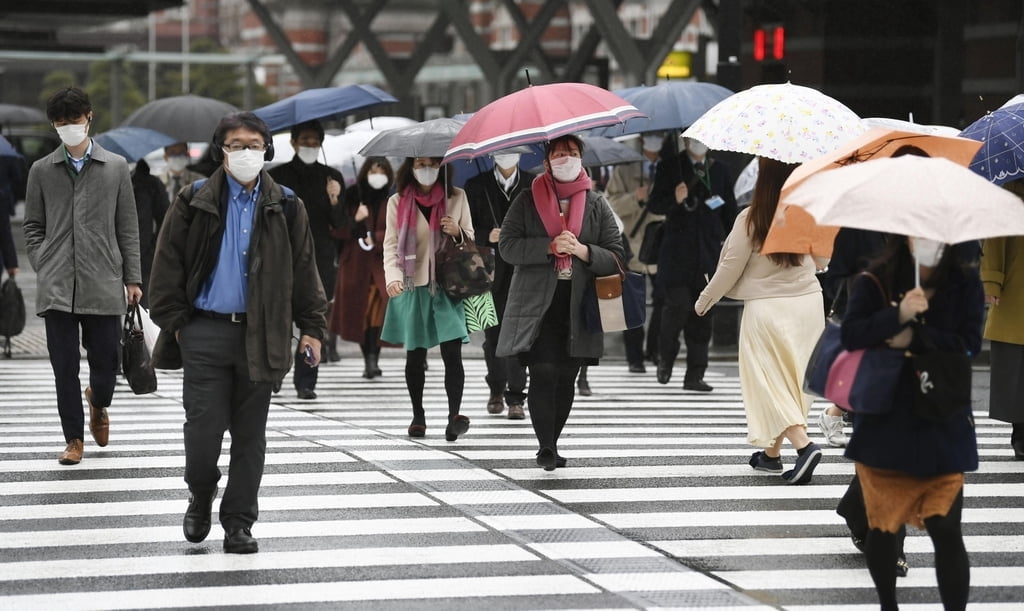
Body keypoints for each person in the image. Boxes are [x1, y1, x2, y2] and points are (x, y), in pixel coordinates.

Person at [149, 111, 327, 554]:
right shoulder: (193, 201)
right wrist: (177, 325)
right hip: (204, 333)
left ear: (267, 150)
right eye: (236, 145)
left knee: (251, 436)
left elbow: (305, 271)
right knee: (203, 431)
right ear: (220, 150)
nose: (246, 152)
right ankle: (200, 493)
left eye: (254, 144)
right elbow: (165, 266)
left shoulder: (286, 204)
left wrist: (312, 328)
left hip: (262, 333)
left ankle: (239, 522)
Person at [841, 236, 982, 610]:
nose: (928, 239)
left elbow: (969, 343)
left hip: (942, 420)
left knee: (947, 529)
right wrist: (897, 314)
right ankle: (889, 605)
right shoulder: (876, 279)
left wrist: (917, 336)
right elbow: (851, 334)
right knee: (884, 529)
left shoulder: (964, 281)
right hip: (885, 422)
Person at [23, 86, 143, 465]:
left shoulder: (117, 168)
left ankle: (99, 401)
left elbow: (128, 227)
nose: (68, 128)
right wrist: (44, 261)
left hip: (104, 281)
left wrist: (133, 278)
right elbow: (32, 226)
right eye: (61, 123)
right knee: (64, 368)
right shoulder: (41, 170)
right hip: (57, 285)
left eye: (74, 120)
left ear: (89, 117)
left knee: (106, 363)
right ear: (53, 126)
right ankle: (74, 439)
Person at [497, 135, 624, 470]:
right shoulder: (527, 200)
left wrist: (582, 251)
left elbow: (617, 255)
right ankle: (546, 446)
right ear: (547, 160)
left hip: (579, 303)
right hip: (538, 302)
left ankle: (554, 438)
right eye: (558, 153)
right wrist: (549, 247)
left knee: (567, 374)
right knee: (542, 370)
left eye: (571, 153)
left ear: (581, 157)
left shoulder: (596, 203)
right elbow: (508, 247)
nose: (565, 158)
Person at [694, 156, 825, 484]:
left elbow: (730, 267)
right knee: (792, 380)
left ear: (762, 180)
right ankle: (770, 456)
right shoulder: (808, 212)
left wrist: (705, 300)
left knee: (768, 381)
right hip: (809, 304)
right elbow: (823, 260)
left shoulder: (751, 217)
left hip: (767, 308)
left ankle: (804, 446)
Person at [381, 156, 473, 442]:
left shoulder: (456, 196)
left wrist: (456, 232)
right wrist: (392, 276)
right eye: (420, 163)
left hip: (448, 285)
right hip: (412, 284)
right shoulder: (397, 201)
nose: (427, 168)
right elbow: (391, 243)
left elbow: (469, 236)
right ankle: (418, 415)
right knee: (415, 354)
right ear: (410, 167)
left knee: (452, 354)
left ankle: (453, 416)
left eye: (433, 162)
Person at [650, 136, 737, 392]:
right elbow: (655, 204)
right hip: (676, 253)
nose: (699, 143)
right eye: (694, 139)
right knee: (676, 308)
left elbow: (729, 211)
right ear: (685, 140)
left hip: (708, 254)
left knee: (703, 313)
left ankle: (695, 375)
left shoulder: (719, 170)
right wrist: (675, 199)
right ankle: (665, 357)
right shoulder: (670, 167)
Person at [269, 120, 345, 398]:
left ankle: (307, 380)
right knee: (278, 317)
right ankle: (275, 371)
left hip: (319, 257)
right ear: (293, 142)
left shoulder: (331, 177)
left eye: (315, 141)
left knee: (313, 320)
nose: (310, 145)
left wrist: (335, 199)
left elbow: (341, 225)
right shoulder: (277, 176)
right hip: (281, 254)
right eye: (305, 140)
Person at [463, 151, 533, 419]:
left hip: (522, 270)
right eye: (501, 151)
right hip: (484, 271)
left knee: (518, 334)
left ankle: (516, 396)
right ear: (491, 153)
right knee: (491, 335)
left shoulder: (532, 183)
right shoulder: (475, 185)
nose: (507, 156)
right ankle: (496, 389)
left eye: (512, 150)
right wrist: (485, 235)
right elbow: (465, 227)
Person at [605, 132, 668, 374]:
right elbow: (611, 204)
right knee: (633, 303)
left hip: (660, 245)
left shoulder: (670, 169)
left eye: (659, 137)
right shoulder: (625, 170)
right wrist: (635, 197)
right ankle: (635, 358)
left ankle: (654, 349)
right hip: (632, 245)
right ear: (643, 139)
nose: (656, 140)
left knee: (664, 301)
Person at [330, 156, 393, 379]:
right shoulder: (353, 196)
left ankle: (373, 359)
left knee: (378, 314)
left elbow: (401, 230)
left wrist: (376, 238)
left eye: (382, 171)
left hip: (382, 265)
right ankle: (368, 360)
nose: (378, 176)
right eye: (373, 171)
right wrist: (355, 219)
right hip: (355, 264)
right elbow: (337, 230)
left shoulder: (392, 198)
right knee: (361, 315)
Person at [982, 178, 1024, 459]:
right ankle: (1021, 432)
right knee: (1015, 366)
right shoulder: (1010, 192)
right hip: (1017, 291)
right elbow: (995, 240)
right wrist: (992, 282)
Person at [131, 158, 170, 309]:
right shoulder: (151, 184)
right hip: (144, 253)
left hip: (143, 254)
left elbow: (164, 220)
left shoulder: (148, 184)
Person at [0, 149, 21, 280]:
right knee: (4, 233)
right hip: (2, 200)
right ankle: (10, 266)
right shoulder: (6, 153)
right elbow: (17, 178)